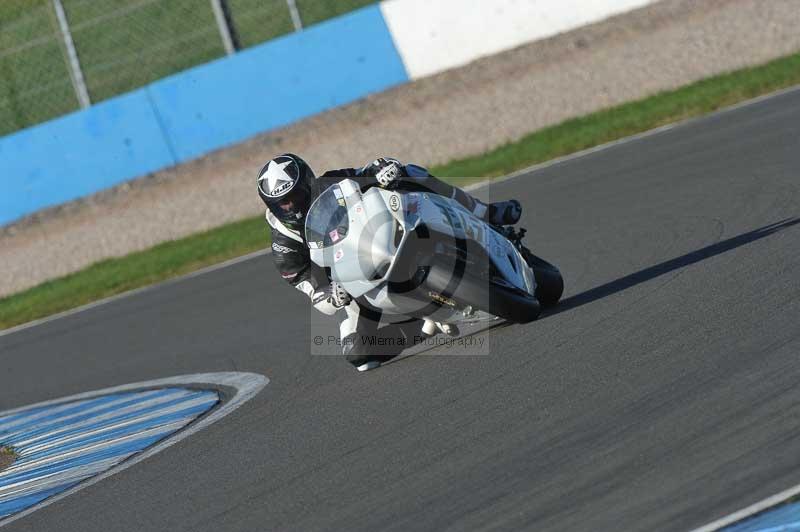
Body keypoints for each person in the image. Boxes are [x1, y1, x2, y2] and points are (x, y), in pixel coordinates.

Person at [257, 154, 522, 371]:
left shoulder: (330, 184)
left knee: (410, 172)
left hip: (384, 235)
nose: (291, 207)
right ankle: (425, 326)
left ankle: (486, 212)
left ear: (308, 184)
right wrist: (331, 295)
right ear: (272, 205)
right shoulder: (284, 245)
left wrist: (384, 168)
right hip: (354, 280)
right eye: (283, 204)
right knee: (358, 351)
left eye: (295, 197)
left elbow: (367, 171)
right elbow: (311, 288)